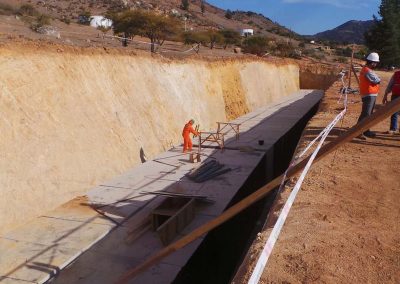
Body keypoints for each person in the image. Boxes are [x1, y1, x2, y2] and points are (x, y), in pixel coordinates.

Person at [357, 52, 381, 139]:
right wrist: (378, 78)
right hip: (369, 94)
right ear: (373, 62)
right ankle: (358, 132)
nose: (376, 64)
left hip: (370, 94)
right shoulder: (367, 71)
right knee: (366, 114)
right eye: (376, 63)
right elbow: (377, 80)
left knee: (368, 114)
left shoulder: (366, 69)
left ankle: (366, 130)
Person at [382, 69, 400, 134]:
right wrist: (385, 95)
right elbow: (390, 85)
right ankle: (393, 129)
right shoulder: (396, 74)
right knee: (393, 112)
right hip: (395, 96)